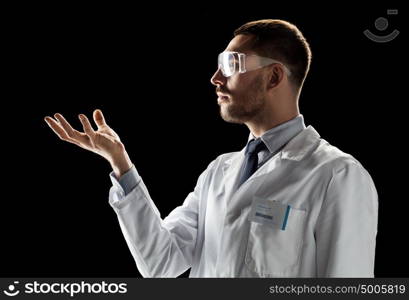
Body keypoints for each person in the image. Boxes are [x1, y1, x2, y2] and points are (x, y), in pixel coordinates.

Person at [44, 19, 378, 277]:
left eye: (232, 64)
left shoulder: (337, 174)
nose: (216, 78)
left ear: (274, 77)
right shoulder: (219, 172)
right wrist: (121, 164)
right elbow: (162, 263)